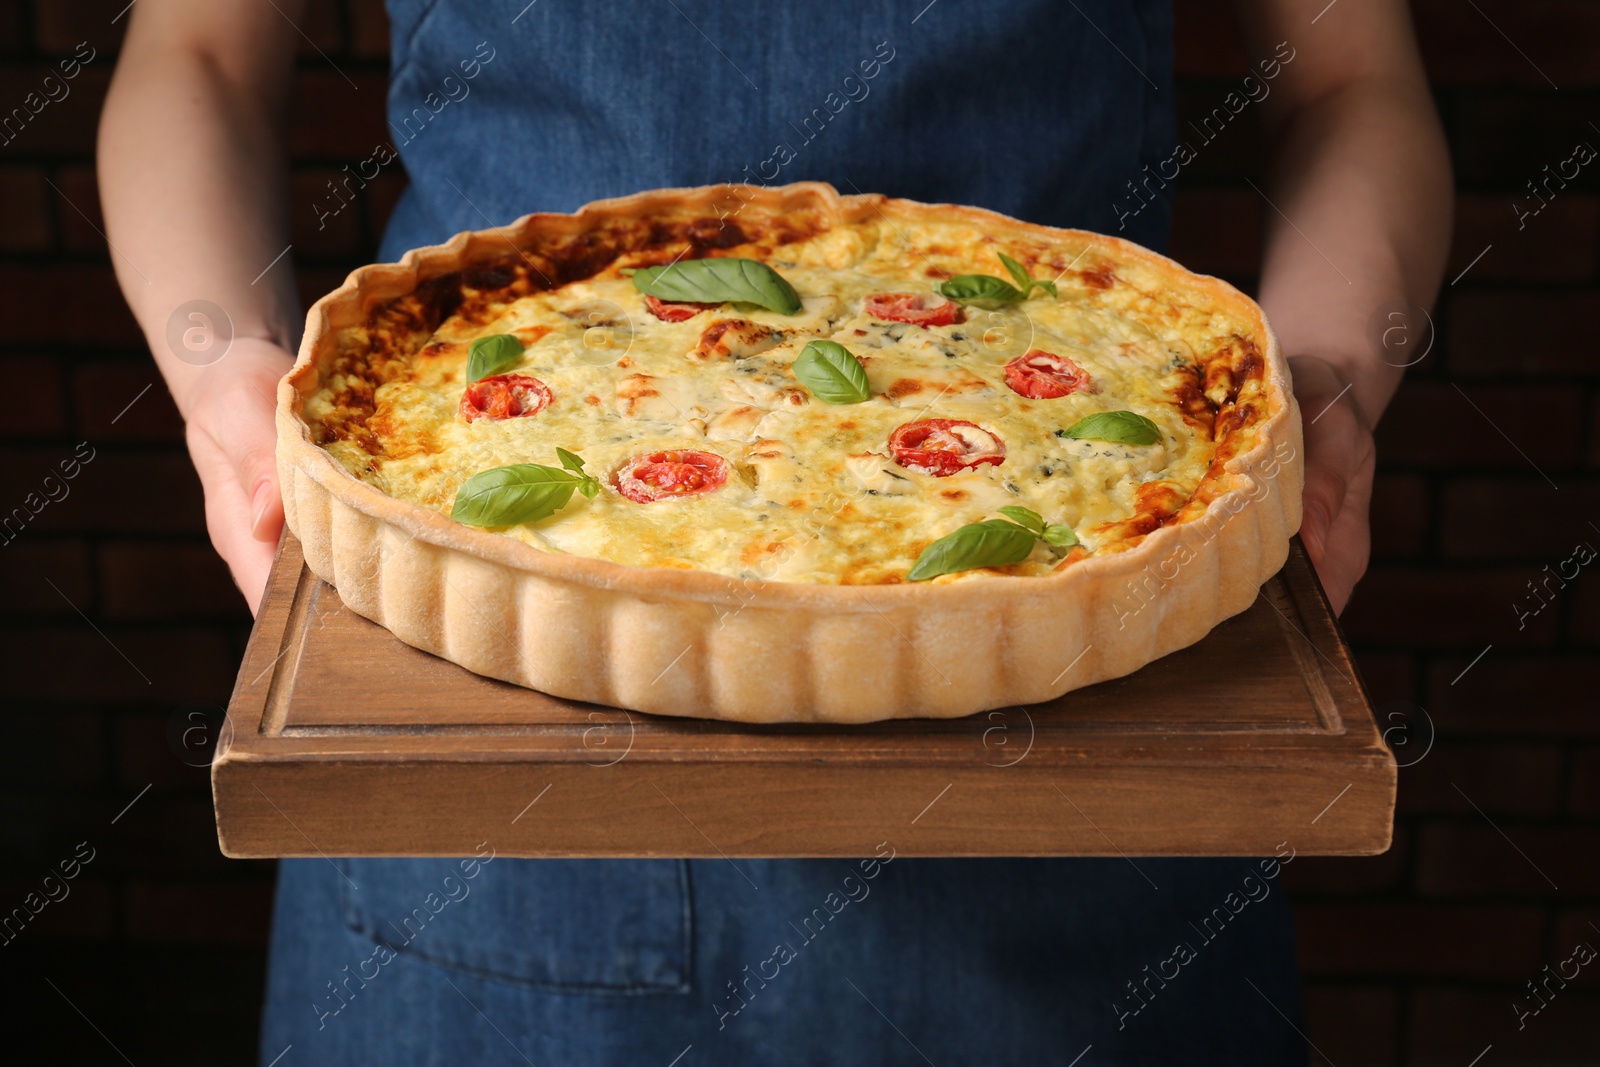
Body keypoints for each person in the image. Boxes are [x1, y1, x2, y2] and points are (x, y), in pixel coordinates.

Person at [100, 1, 1450, 1063]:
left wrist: (1324, 375)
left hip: (1093, 757)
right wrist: (226, 379)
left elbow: (1355, 81)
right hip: (485, 775)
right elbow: (196, 53)